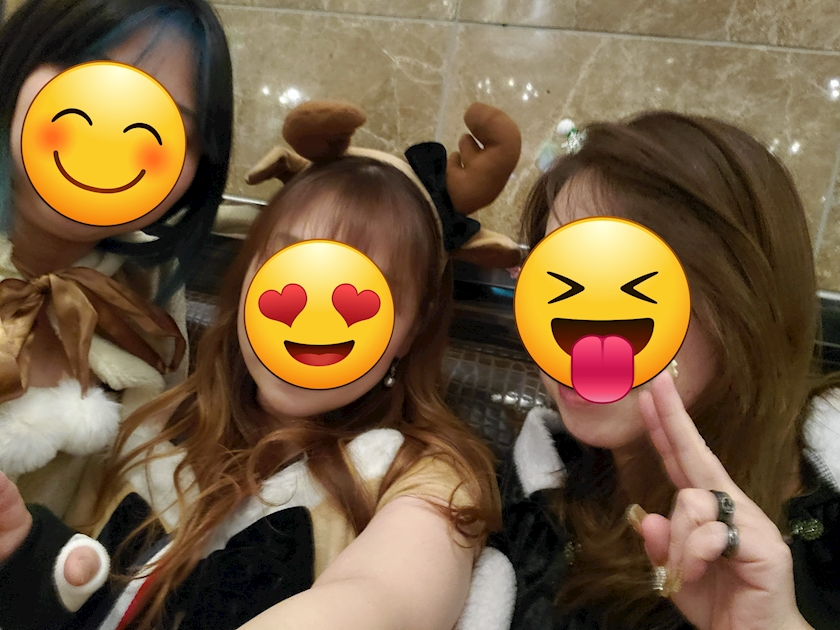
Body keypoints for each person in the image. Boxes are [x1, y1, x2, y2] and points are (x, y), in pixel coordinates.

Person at [0, 100, 524, 630]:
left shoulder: (424, 475)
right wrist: (25, 553)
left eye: (359, 290)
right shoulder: (153, 426)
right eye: (289, 267)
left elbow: (387, 598)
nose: (312, 315)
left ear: (411, 329)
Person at [492, 111, 840, 630]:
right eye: (557, 284)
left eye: (636, 290)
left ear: (747, 305)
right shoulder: (524, 500)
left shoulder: (824, 554)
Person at [0, 0, 233, 528]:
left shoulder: (150, 287)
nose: (111, 136)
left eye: (165, 125)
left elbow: (145, 476)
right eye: (89, 83)